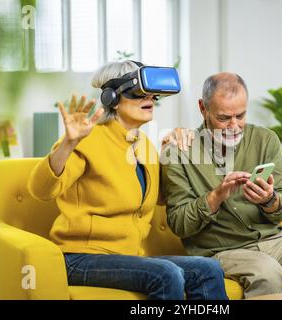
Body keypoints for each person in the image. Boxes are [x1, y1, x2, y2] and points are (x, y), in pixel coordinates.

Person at [27, 60, 228, 300]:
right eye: (139, 93)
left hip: (129, 256)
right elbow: (41, 190)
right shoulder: (87, 139)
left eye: (153, 94)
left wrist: (171, 152)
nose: (150, 99)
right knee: (167, 274)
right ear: (112, 97)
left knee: (208, 269)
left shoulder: (143, 145)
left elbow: (160, 198)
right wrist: (68, 143)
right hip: (81, 256)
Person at [161, 72, 282, 298]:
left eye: (240, 115)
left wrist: (269, 200)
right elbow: (179, 224)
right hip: (223, 250)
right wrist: (216, 196)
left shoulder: (265, 139)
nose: (234, 126)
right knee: (268, 275)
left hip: (277, 241)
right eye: (224, 118)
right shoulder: (179, 152)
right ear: (203, 108)